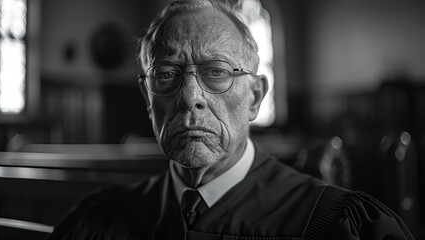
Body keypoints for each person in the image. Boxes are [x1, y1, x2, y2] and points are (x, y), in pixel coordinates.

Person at [48, 0, 415, 239]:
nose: (190, 98)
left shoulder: (336, 224)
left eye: (217, 71)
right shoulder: (97, 222)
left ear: (254, 97)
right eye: (166, 74)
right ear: (148, 98)